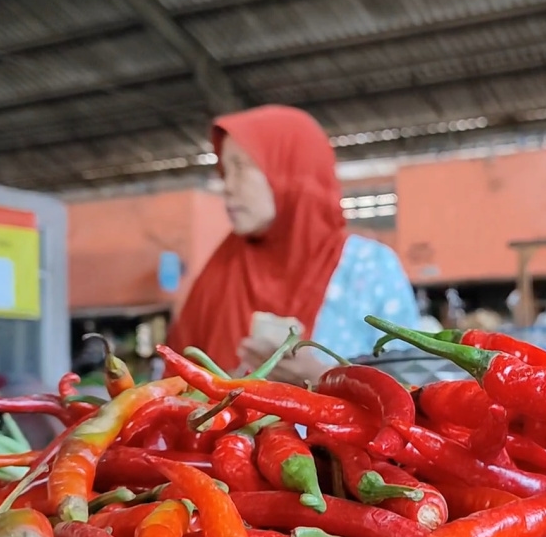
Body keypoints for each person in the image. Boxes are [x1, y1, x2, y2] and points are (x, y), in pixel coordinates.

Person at [166, 105, 420, 386]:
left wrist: (322, 378)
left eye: (240, 167)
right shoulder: (218, 274)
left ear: (290, 170)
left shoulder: (368, 268)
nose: (227, 186)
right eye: (225, 171)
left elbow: (413, 388)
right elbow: (171, 386)